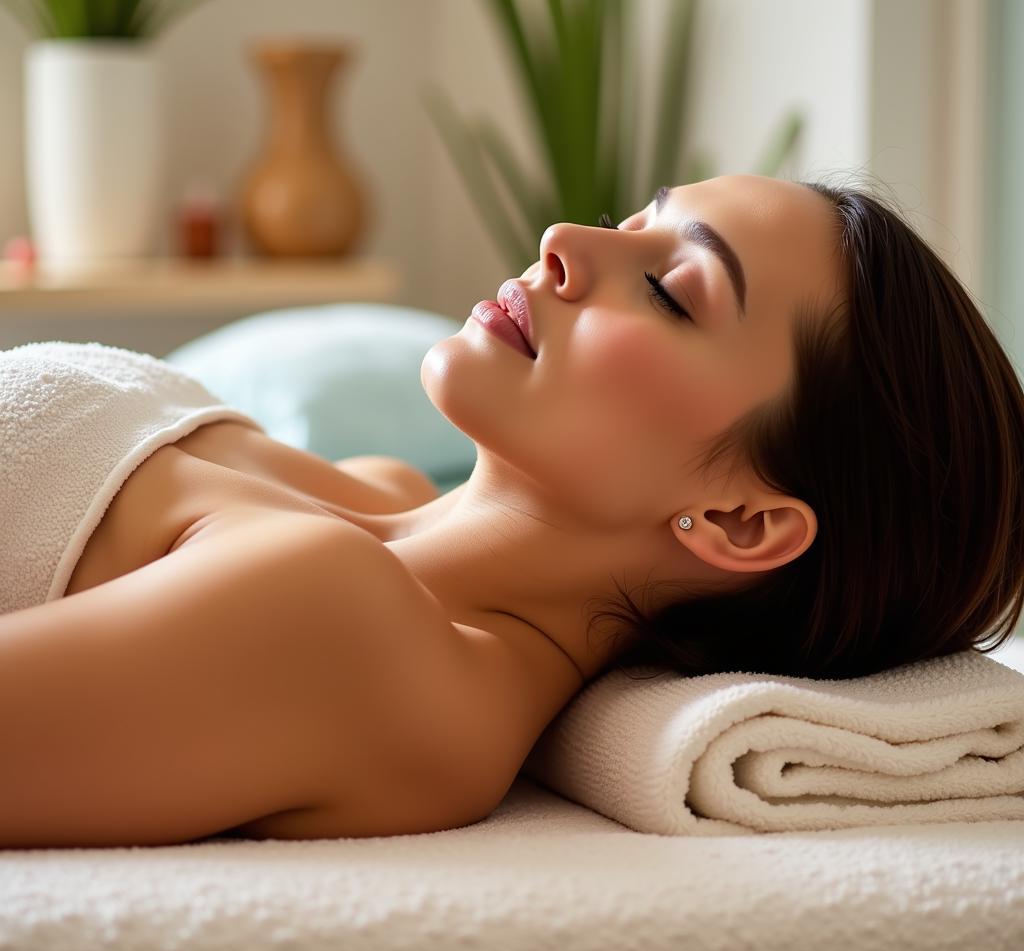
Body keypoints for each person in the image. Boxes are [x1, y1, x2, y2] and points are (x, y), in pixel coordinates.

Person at [2, 173, 1022, 848]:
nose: (562, 241)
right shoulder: (378, 490)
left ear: (736, 522)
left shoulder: (350, 633)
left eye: (669, 290)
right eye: (634, 222)